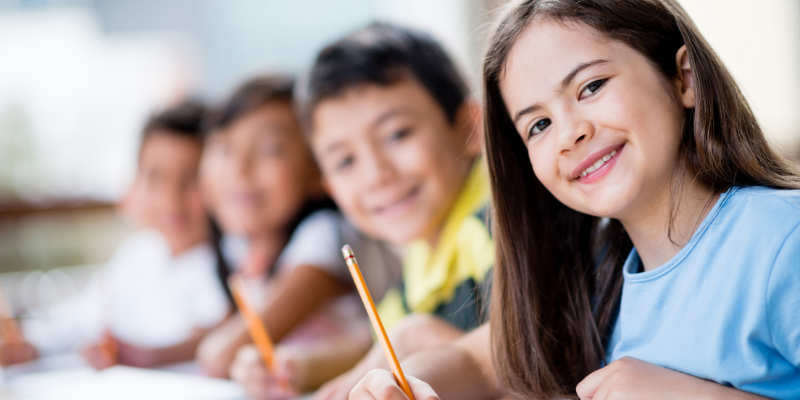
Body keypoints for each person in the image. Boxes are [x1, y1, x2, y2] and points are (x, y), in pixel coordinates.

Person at [351, 0, 800, 399]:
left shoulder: (781, 237)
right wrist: (399, 382)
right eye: (538, 125)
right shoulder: (592, 270)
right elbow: (477, 363)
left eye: (591, 86)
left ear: (684, 78)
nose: (569, 133)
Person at [229, 23, 493, 400]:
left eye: (397, 134)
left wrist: (412, 337)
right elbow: (371, 345)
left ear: (469, 126)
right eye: (346, 160)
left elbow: (527, 348)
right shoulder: (420, 256)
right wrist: (294, 365)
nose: (376, 175)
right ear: (331, 187)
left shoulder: (500, 218)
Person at [196, 75, 400, 390]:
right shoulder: (243, 250)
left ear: (318, 168)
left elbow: (221, 353)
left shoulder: (324, 237)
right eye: (224, 149)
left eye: (268, 149)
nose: (239, 167)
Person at [0, 102, 231, 369]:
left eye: (191, 179)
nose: (171, 198)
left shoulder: (232, 263)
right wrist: (30, 344)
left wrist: (139, 356)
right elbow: (80, 319)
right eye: (154, 177)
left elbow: (219, 338)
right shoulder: (136, 256)